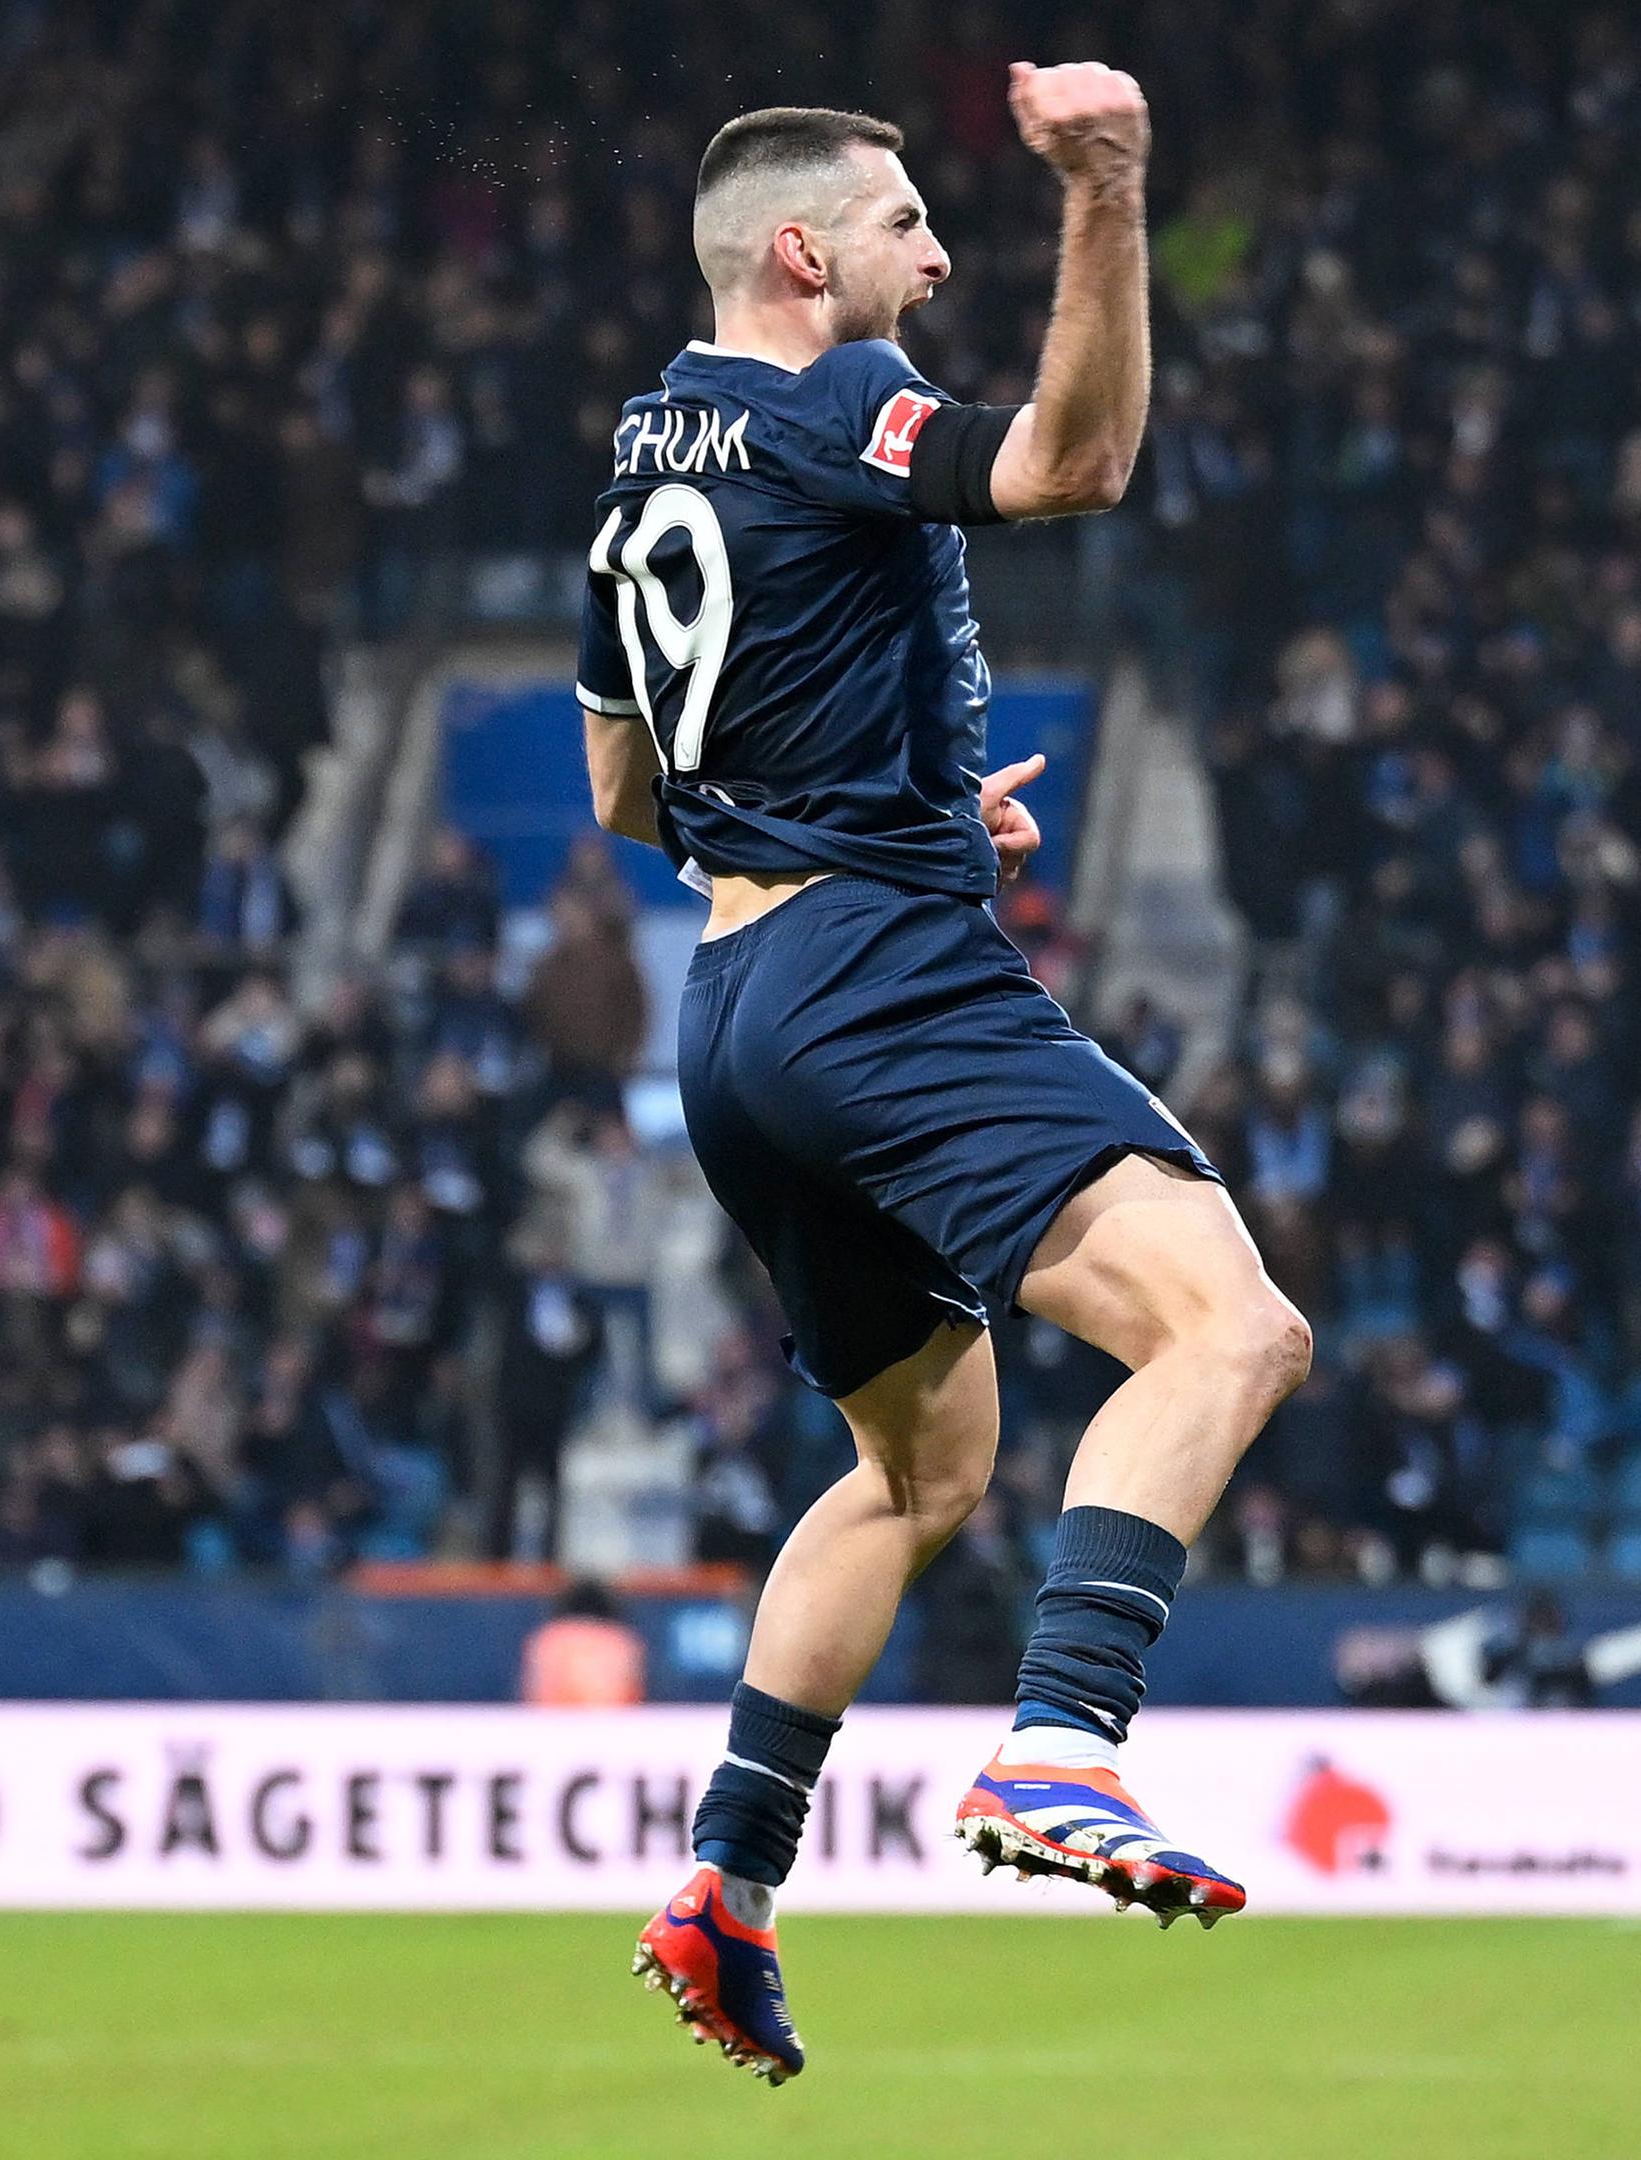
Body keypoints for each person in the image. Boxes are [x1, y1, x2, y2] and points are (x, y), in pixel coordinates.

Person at [607, 80, 1314, 2085]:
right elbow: (1076, 460)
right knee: (1233, 1328)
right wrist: (1108, 185)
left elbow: (622, 785)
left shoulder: (637, 467)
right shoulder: (829, 399)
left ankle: (727, 1883)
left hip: (735, 1006)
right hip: (876, 973)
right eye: (910, 224)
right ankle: (1061, 1745)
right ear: (805, 257)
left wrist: (888, 801)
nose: (938, 256)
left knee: (917, 1472)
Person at [520, 1578, 649, 1706]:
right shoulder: (623, 1642)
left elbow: (531, 1692)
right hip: (602, 1721)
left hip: (561, 1721)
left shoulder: (547, 1640)